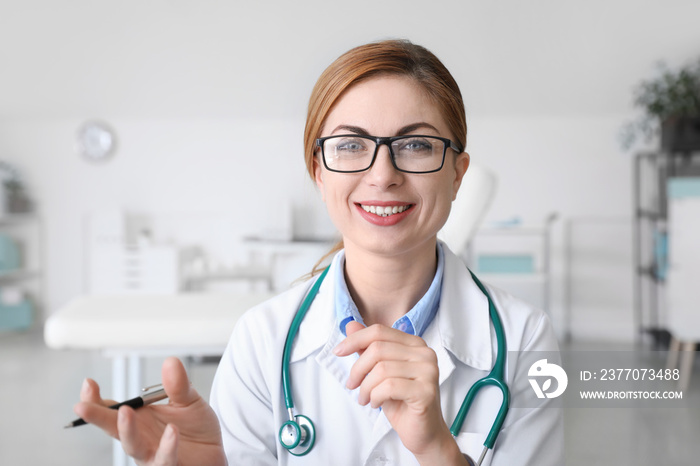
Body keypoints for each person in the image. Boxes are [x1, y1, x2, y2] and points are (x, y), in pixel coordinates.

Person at [75, 39, 563, 466]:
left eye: (415, 144)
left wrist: (437, 449)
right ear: (318, 171)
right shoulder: (262, 340)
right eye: (351, 145)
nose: (383, 174)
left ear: (458, 173)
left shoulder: (526, 342)